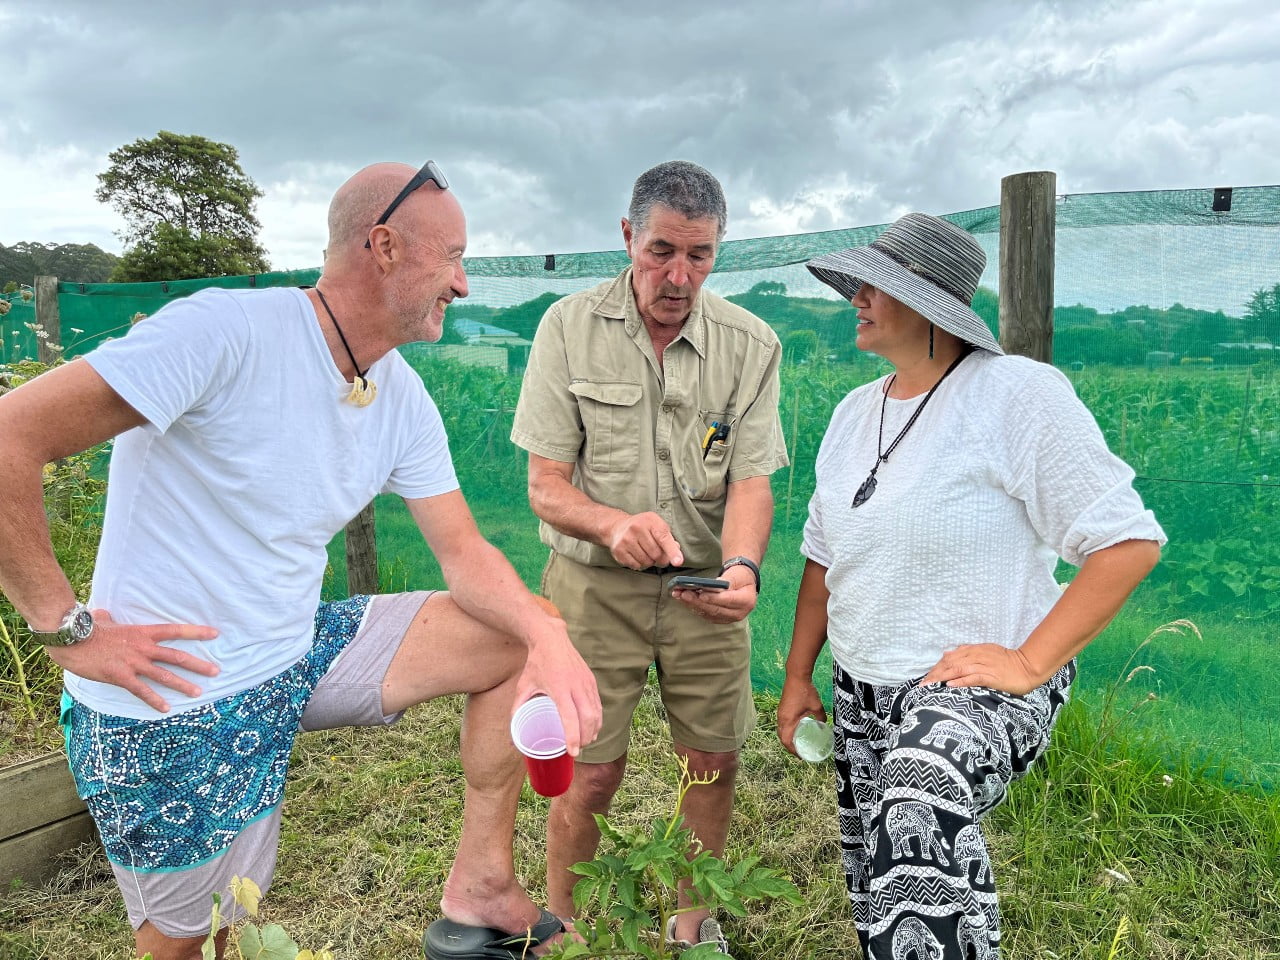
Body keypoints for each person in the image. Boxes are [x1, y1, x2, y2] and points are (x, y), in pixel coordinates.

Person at [0, 161, 602, 960]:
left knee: (516, 632)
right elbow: (11, 435)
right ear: (382, 245)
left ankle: (482, 882)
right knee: (199, 946)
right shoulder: (223, 332)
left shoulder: (397, 394)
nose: (462, 283)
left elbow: (465, 551)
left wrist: (548, 635)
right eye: (452, 256)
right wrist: (66, 627)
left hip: (296, 649)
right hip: (177, 694)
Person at [777, 213, 1165, 958]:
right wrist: (799, 674)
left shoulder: (1017, 395)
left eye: (876, 285)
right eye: (857, 281)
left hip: (975, 685)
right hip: (861, 686)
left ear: (928, 303)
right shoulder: (853, 413)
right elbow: (824, 556)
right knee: (882, 882)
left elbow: (1127, 541)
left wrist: (1027, 663)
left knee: (920, 797)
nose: (856, 295)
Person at [510, 160, 788, 953]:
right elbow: (545, 486)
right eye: (662, 249)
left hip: (704, 590)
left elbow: (752, 481)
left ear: (717, 252)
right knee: (589, 770)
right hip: (595, 588)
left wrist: (743, 569)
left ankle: (693, 925)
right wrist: (609, 524)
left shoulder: (750, 344)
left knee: (713, 760)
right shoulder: (568, 326)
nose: (678, 275)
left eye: (699, 255)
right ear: (628, 236)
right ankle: (566, 925)